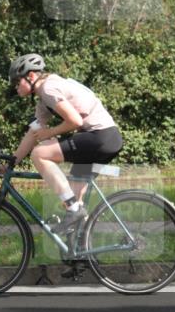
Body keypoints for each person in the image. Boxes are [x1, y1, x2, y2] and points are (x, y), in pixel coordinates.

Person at [8, 53, 123, 234]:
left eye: (17, 82)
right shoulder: (44, 98)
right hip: (105, 138)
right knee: (75, 201)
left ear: (31, 76)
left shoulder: (48, 88)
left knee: (39, 154)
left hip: (99, 136)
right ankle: (80, 247)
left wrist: (49, 133)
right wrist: (11, 162)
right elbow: (33, 133)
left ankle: (73, 209)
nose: (15, 88)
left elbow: (75, 121)